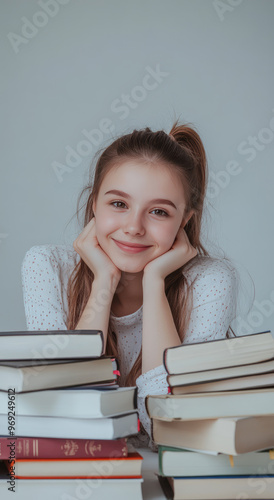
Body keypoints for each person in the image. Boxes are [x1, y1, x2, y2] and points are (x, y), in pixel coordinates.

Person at [21, 120, 237, 450]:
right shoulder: (46, 267)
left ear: (185, 221)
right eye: (119, 204)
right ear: (94, 204)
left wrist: (155, 283)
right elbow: (66, 418)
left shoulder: (209, 281)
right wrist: (103, 282)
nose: (134, 227)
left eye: (160, 212)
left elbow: (174, 429)